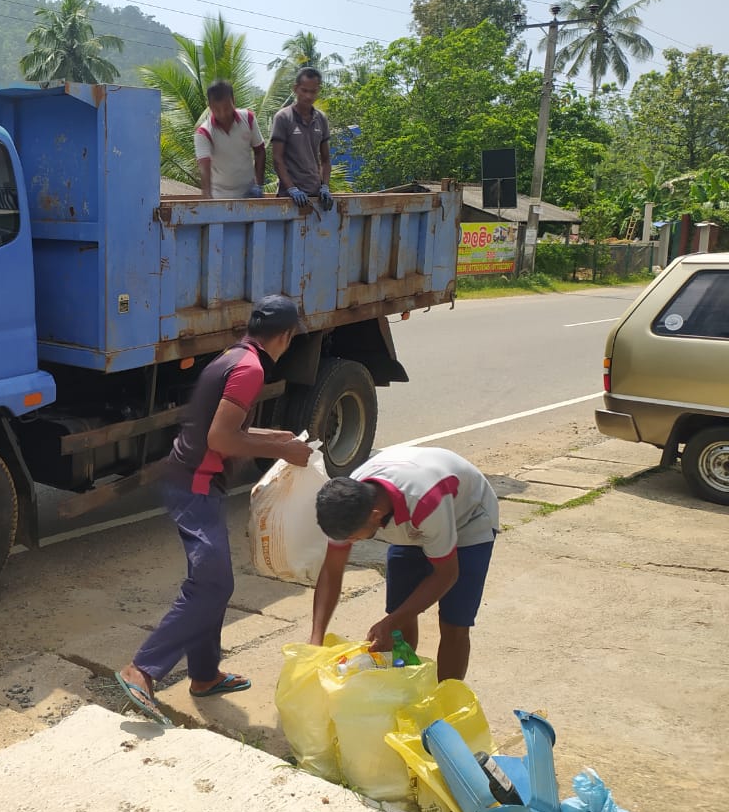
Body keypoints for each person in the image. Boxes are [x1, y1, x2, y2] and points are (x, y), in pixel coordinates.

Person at [116, 295, 314, 725]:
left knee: (212, 581)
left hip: (190, 477)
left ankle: (205, 675)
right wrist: (285, 451)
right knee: (211, 583)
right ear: (285, 336)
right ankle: (142, 670)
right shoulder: (251, 369)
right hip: (195, 484)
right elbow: (223, 440)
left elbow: (221, 428)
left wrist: (276, 439)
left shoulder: (234, 355)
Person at [308, 446, 499, 682]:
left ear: (375, 515)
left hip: (468, 521)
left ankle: (446, 700)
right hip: (414, 517)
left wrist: (389, 623)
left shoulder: (424, 500)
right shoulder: (345, 501)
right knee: (400, 617)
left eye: (353, 537)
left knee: (454, 622)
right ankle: (406, 686)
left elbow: (447, 574)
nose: (350, 542)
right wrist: (315, 641)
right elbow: (332, 570)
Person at [271, 67, 333, 212]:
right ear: (295, 89)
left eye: (313, 91)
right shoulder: (283, 118)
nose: (308, 96)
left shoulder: (321, 119)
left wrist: (325, 186)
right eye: (304, 90)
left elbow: (325, 159)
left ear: (318, 90)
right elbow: (277, 159)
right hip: (289, 198)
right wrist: (292, 189)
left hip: (316, 197)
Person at [194, 80, 266, 199]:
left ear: (233, 100)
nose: (223, 114)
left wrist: (259, 186)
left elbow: (260, 151)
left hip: (249, 194)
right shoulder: (203, 133)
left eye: (227, 108)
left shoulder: (248, 118)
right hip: (220, 197)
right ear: (210, 106)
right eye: (217, 109)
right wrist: (207, 200)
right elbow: (204, 169)